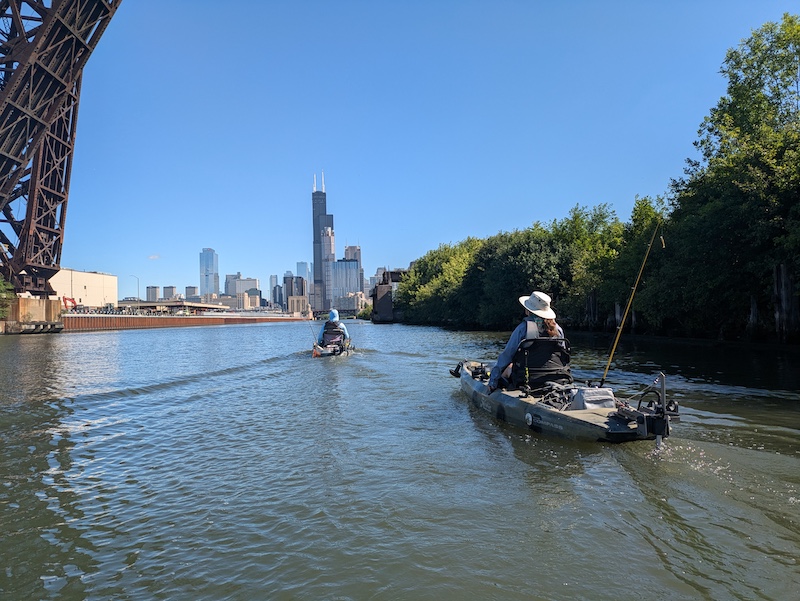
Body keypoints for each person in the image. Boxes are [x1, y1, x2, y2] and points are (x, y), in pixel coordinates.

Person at [487, 291, 565, 392]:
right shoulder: (558, 330)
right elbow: (562, 355)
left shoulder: (522, 328)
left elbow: (507, 355)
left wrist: (493, 380)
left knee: (508, 367)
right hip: (556, 378)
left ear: (528, 310)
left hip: (527, 380)